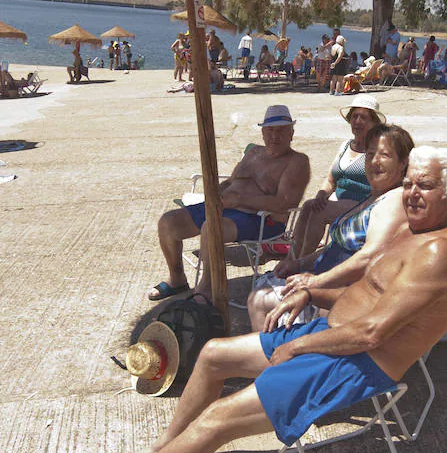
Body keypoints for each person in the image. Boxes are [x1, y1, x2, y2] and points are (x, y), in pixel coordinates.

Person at [77, 146, 447, 453]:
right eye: (410, 184)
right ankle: (166, 446)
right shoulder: (414, 231)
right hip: (332, 337)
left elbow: (372, 332)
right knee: (214, 354)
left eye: (426, 186)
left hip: (355, 364)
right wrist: (311, 292)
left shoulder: (439, 253)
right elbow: (366, 296)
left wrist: (296, 345)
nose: (413, 193)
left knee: (217, 418)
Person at [248, 123, 414, 330]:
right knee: (263, 288)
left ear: (403, 162)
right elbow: (337, 247)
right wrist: (300, 263)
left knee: (260, 299)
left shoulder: (394, 201)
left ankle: (273, 356)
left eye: (385, 155)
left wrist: (315, 283)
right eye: (370, 154)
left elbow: (369, 257)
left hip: (340, 300)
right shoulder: (373, 197)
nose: (374, 162)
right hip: (325, 284)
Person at [148, 105, 310, 303]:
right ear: (262, 132)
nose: (275, 136)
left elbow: (284, 203)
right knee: (168, 222)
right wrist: (215, 193)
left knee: (211, 228)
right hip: (224, 207)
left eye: (282, 130)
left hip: (260, 220)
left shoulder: (297, 162)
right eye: (270, 130)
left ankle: (207, 288)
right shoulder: (254, 153)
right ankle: (177, 279)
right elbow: (232, 181)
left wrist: (240, 200)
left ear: (291, 133)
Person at [286, 96, 385, 259]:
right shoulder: (346, 145)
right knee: (309, 206)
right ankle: (291, 258)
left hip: (364, 204)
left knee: (319, 212)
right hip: (340, 201)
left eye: (364, 117)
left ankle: (301, 265)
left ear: (374, 123)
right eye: (354, 116)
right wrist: (321, 194)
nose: (358, 121)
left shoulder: (376, 150)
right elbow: (331, 179)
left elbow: (381, 187)